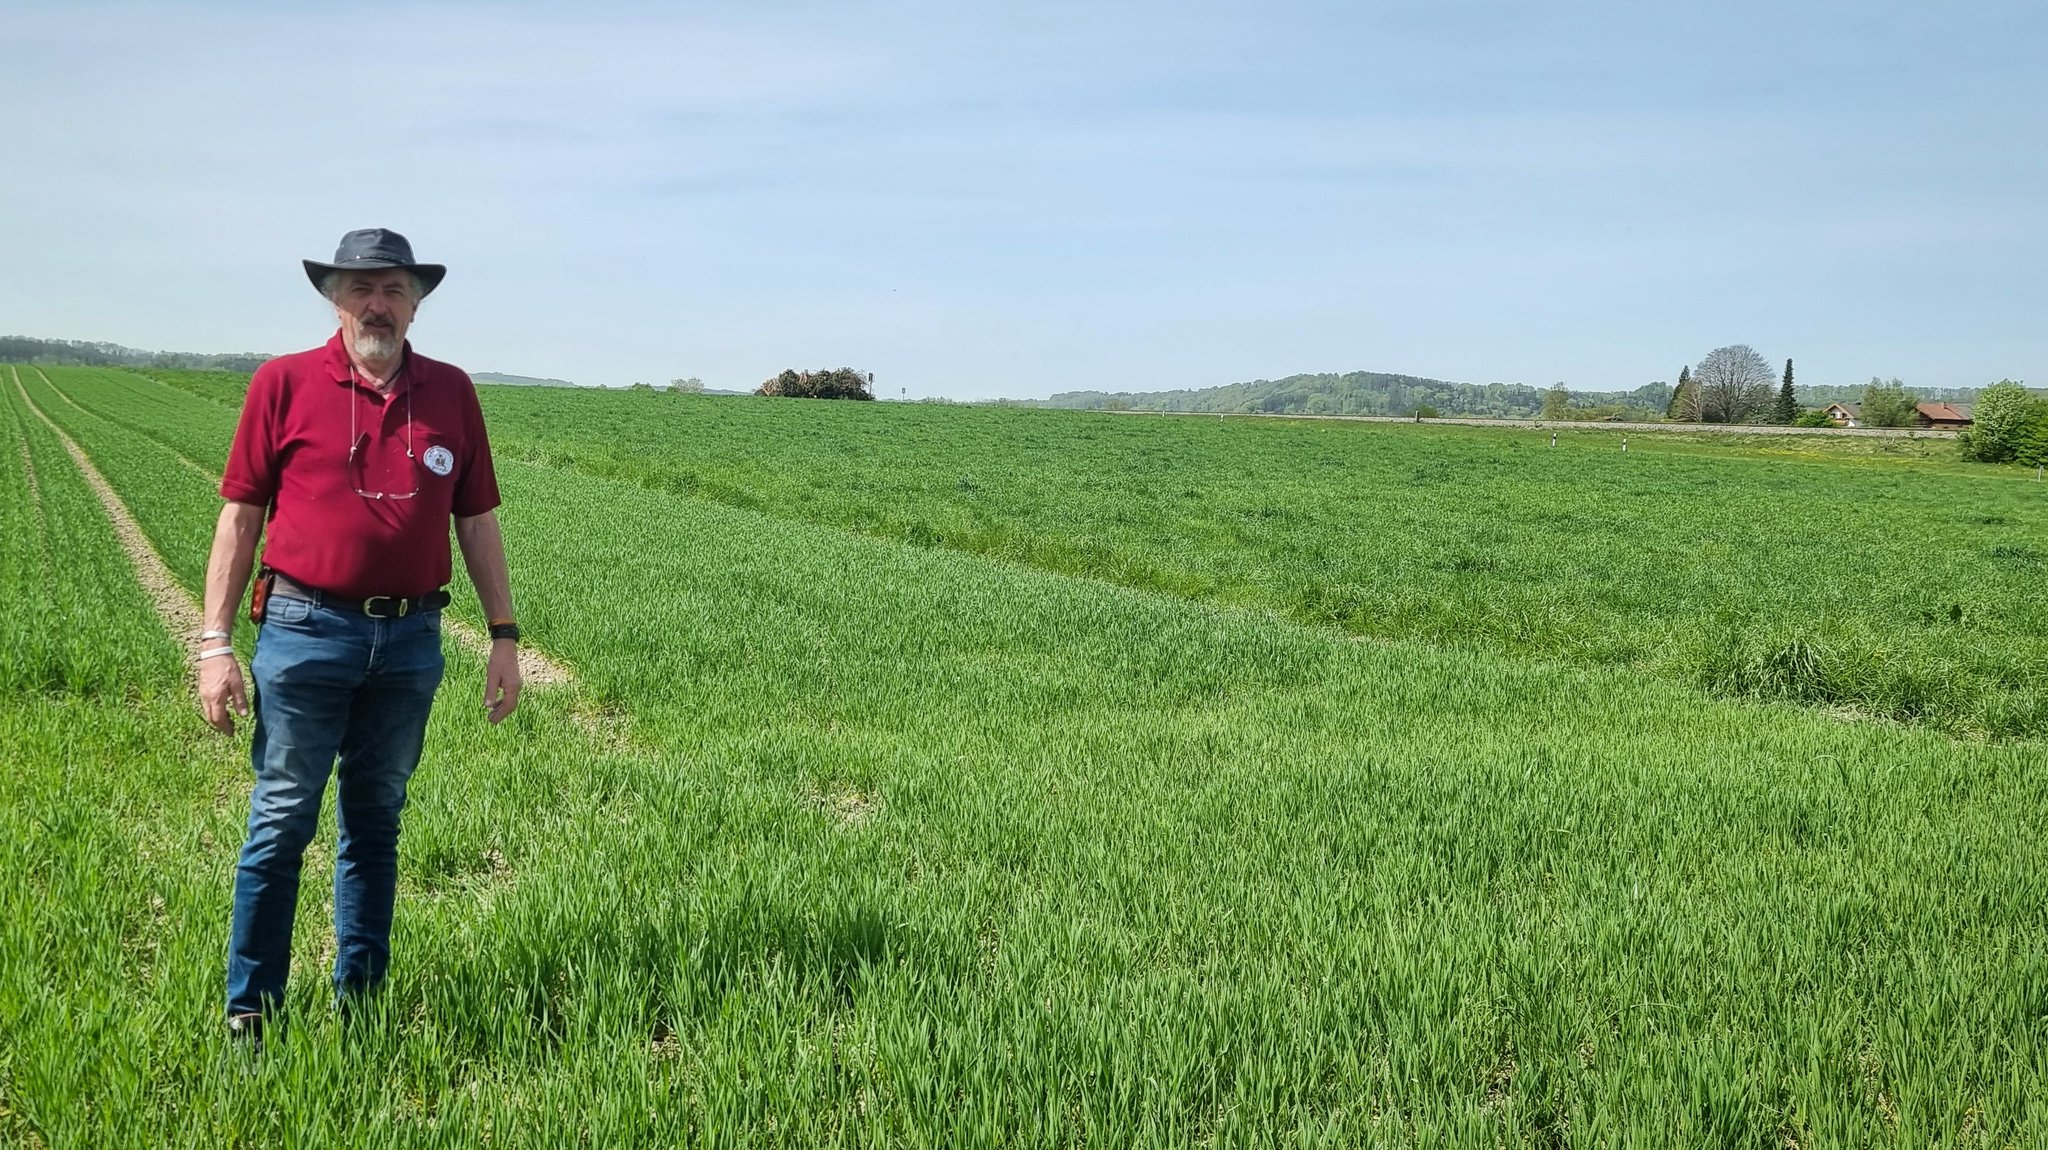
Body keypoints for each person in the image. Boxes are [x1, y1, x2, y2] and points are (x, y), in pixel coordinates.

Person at [196, 228, 524, 1046]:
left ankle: (362, 1002)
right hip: (304, 631)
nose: (378, 304)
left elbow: (477, 521)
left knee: (376, 822)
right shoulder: (284, 383)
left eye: (395, 290)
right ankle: (251, 1013)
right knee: (281, 820)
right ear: (334, 299)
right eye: (361, 288)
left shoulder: (450, 392)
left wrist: (504, 634)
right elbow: (240, 516)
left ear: (416, 305)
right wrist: (214, 642)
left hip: (411, 641)